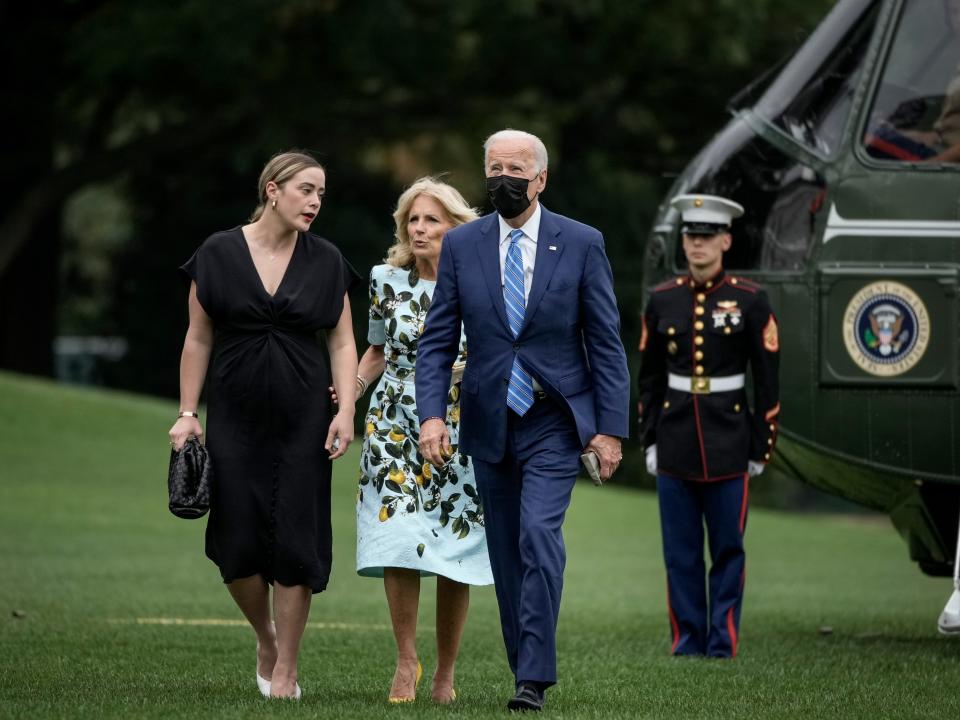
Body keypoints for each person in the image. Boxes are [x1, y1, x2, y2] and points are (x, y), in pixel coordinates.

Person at [415, 129, 630, 711]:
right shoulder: (464, 246)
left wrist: (609, 428)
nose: (502, 178)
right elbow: (437, 342)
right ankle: (523, 669)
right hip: (488, 419)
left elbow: (606, 342)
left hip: (555, 418)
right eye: (493, 167)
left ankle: (533, 679)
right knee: (507, 553)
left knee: (539, 534)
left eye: (515, 168)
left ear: (540, 179)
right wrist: (432, 415)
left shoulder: (581, 243)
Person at [168, 150, 359, 699]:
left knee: (297, 541)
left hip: (305, 419)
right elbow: (198, 338)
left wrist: (346, 409)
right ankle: (265, 637)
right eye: (306, 189)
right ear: (272, 190)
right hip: (235, 417)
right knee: (236, 544)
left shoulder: (327, 261)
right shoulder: (218, 252)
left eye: (321, 193)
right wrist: (187, 414)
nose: (315, 201)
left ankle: (287, 670)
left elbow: (343, 341)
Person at [354, 177, 493, 704]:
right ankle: (406, 659)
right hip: (392, 421)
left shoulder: (481, 283)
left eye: (431, 219)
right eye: (412, 219)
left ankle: (445, 672)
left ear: (454, 228)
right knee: (398, 538)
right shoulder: (385, 279)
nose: (419, 228)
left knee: (453, 546)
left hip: (459, 424)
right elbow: (374, 350)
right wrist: (349, 398)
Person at [636, 194, 780, 658]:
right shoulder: (662, 299)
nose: (696, 244)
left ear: (725, 240)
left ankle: (723, 641)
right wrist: (650, 438)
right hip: (676, 438)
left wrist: (762, 446)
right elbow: (650, 379)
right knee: (679, 555)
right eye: (689, 236)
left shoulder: (751, 300)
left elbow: (768, 381)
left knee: (727, 550)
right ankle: (687, 640)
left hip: (729, 441)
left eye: (705, 236)